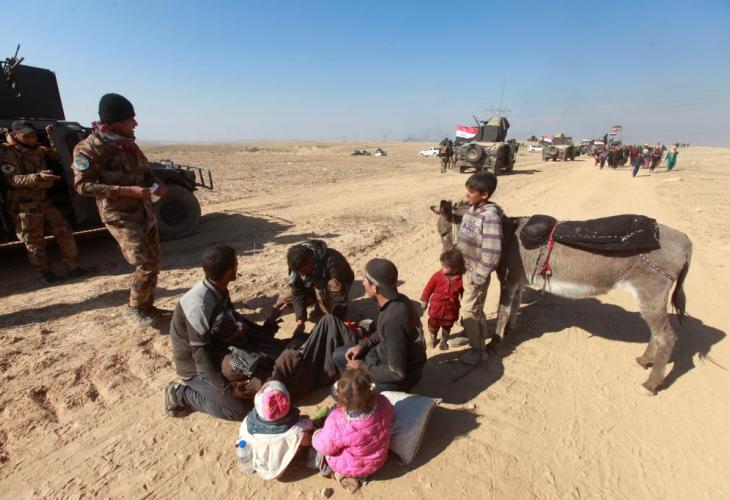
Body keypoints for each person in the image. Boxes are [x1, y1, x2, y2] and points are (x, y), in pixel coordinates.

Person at [165, 245, 294, 421]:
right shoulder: (198, 306)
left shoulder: (218, 289)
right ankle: (181, 394)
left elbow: (236, 322)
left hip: (219, 350)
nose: (237, 266)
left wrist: (269, 324)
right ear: (228, 271)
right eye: (236, 263)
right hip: (196, 368)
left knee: (265, 364)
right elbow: (201, 356)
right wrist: (228, 389)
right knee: (238, 409)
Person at [72, 93, 168, 328]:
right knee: (145, 262)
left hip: (144, 211)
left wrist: (157, 183)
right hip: (120, 214)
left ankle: (147, 306)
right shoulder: (89, 148)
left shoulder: (127, 144)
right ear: (114, 122)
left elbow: (146, 172)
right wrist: (127, 191)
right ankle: (135, 308)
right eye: (129, 119)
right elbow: (82, 185)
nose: (135, 123)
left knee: (154, 261)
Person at [1, 121, 89, 284]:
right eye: (26, 136)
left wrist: (51, 137)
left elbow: (57, 155)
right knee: (34, 241)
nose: (31, 139)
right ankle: (45, 274)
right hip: (24, 202)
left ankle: (73, 268)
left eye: (34, 136)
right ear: (14, 135)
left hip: (42, 198)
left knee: (64, 231)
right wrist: (38, 177)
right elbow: (13, 179)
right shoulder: (8, 153)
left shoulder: (38, 149)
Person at [333, 258, 427, 392]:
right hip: (383, 356)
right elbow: (382, 331)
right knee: (338, 355)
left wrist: (363, 368)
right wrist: (364, 345)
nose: (363, 284)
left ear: (375, 288)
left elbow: (397, 373)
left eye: (365, 281)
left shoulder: (393, 320)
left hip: (403, 377)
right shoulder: (399, 300)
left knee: (342, 392)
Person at [312, 367, 394, 493]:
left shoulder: (338, 421)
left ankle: (339, 474)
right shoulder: (383, 402)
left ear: (341, 401)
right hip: (379, 459)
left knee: (321, 452)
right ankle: (360, 476)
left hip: (355, 466)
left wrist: (316, 434)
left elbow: (324, 447)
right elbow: (391, 414)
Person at [456, 171, 503, 365]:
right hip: (465, 269)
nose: (467, 194)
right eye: (467, 190)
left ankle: (478, 350)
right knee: (466, 306)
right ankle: (469, 333)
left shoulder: (490, 217)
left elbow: (492, 252)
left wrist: (479, 275)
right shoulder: (472, 210)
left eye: (471, 191)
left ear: (484, 195)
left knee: (471, 309)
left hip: (476, 273)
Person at [238, 381, 315, 480]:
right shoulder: (296, 429)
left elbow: (241, 439)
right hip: (280, 467)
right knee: (304, 438)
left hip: (257, 462)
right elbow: (308, 433)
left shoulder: (248, 422)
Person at [278, 240, 355, 336]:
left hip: (340, 282)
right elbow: (297, 292)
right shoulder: (297, 264)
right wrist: (300, 320)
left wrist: (334, 322)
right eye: (300, 272)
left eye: (303, 271)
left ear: (311, 260)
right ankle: (319, 304)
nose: (302, 274)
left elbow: (339, 297)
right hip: (314, 283)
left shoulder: (331, 263)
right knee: (287, 297)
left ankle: (325, 306)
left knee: (323, 298)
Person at [420, 248, 465, 350]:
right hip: (436, 309)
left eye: (445, 267)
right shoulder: (437, 276)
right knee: (433, 324)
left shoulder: (461, 280)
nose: (442, 268)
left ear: (455, 269)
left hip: (451, 309)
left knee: (447, 326)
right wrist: (425, 300)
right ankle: (433, 337)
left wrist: (465, 303)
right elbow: (428, 288)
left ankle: (444, 340)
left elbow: (464, 293)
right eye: (442, 265)